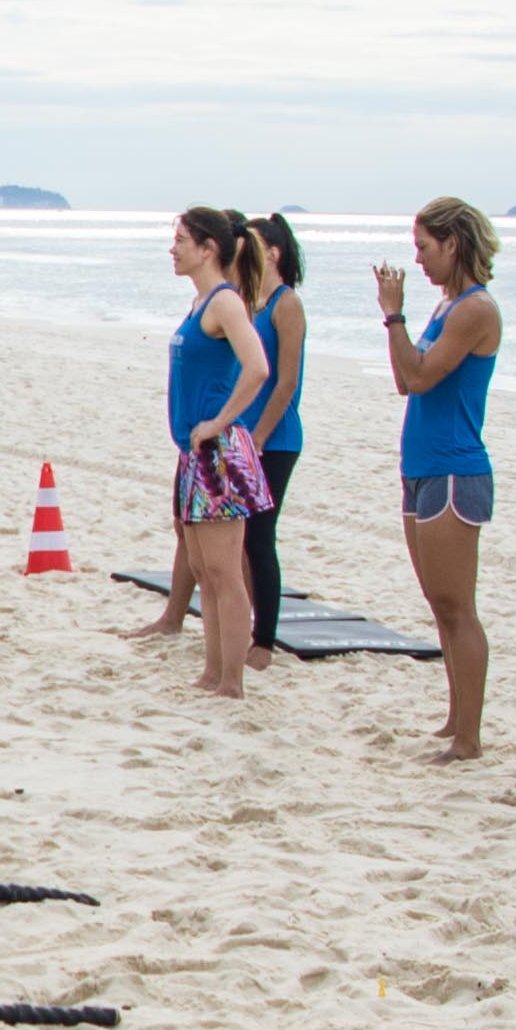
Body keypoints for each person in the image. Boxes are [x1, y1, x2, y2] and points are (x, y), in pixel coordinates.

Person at [373, 198, 502, 759]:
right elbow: (406, 380)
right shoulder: (446, 306)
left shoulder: (475, 308)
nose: (418, 259)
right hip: (422, 465)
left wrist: (394, 314)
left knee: (457, 606)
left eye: (424, 247)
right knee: (439, 605)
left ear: (454, 244)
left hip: (454, 467)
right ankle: (456, 720)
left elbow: (420, 376)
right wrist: (396, 321)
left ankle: (470, 737)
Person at [130, 207, 271, 701]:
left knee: (225, 571)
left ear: (208, 247)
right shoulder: (200, 304)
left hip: (219, 452)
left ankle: (231, 681)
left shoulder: (225, 302)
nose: (173, 249)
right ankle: (213, 673)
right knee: (205, 569)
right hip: (196, 452)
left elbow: (258, 368)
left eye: (181, 240)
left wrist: (219, 422)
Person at [240, 213, 310, 652]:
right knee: (241, 539)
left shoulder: (287, 304)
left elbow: (286, 382)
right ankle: (247, 626)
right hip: (245, 434)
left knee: (260, 538)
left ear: (273, 251)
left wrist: (260, 437)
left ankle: (264, 642)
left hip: (276, 438)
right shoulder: (250, 301)